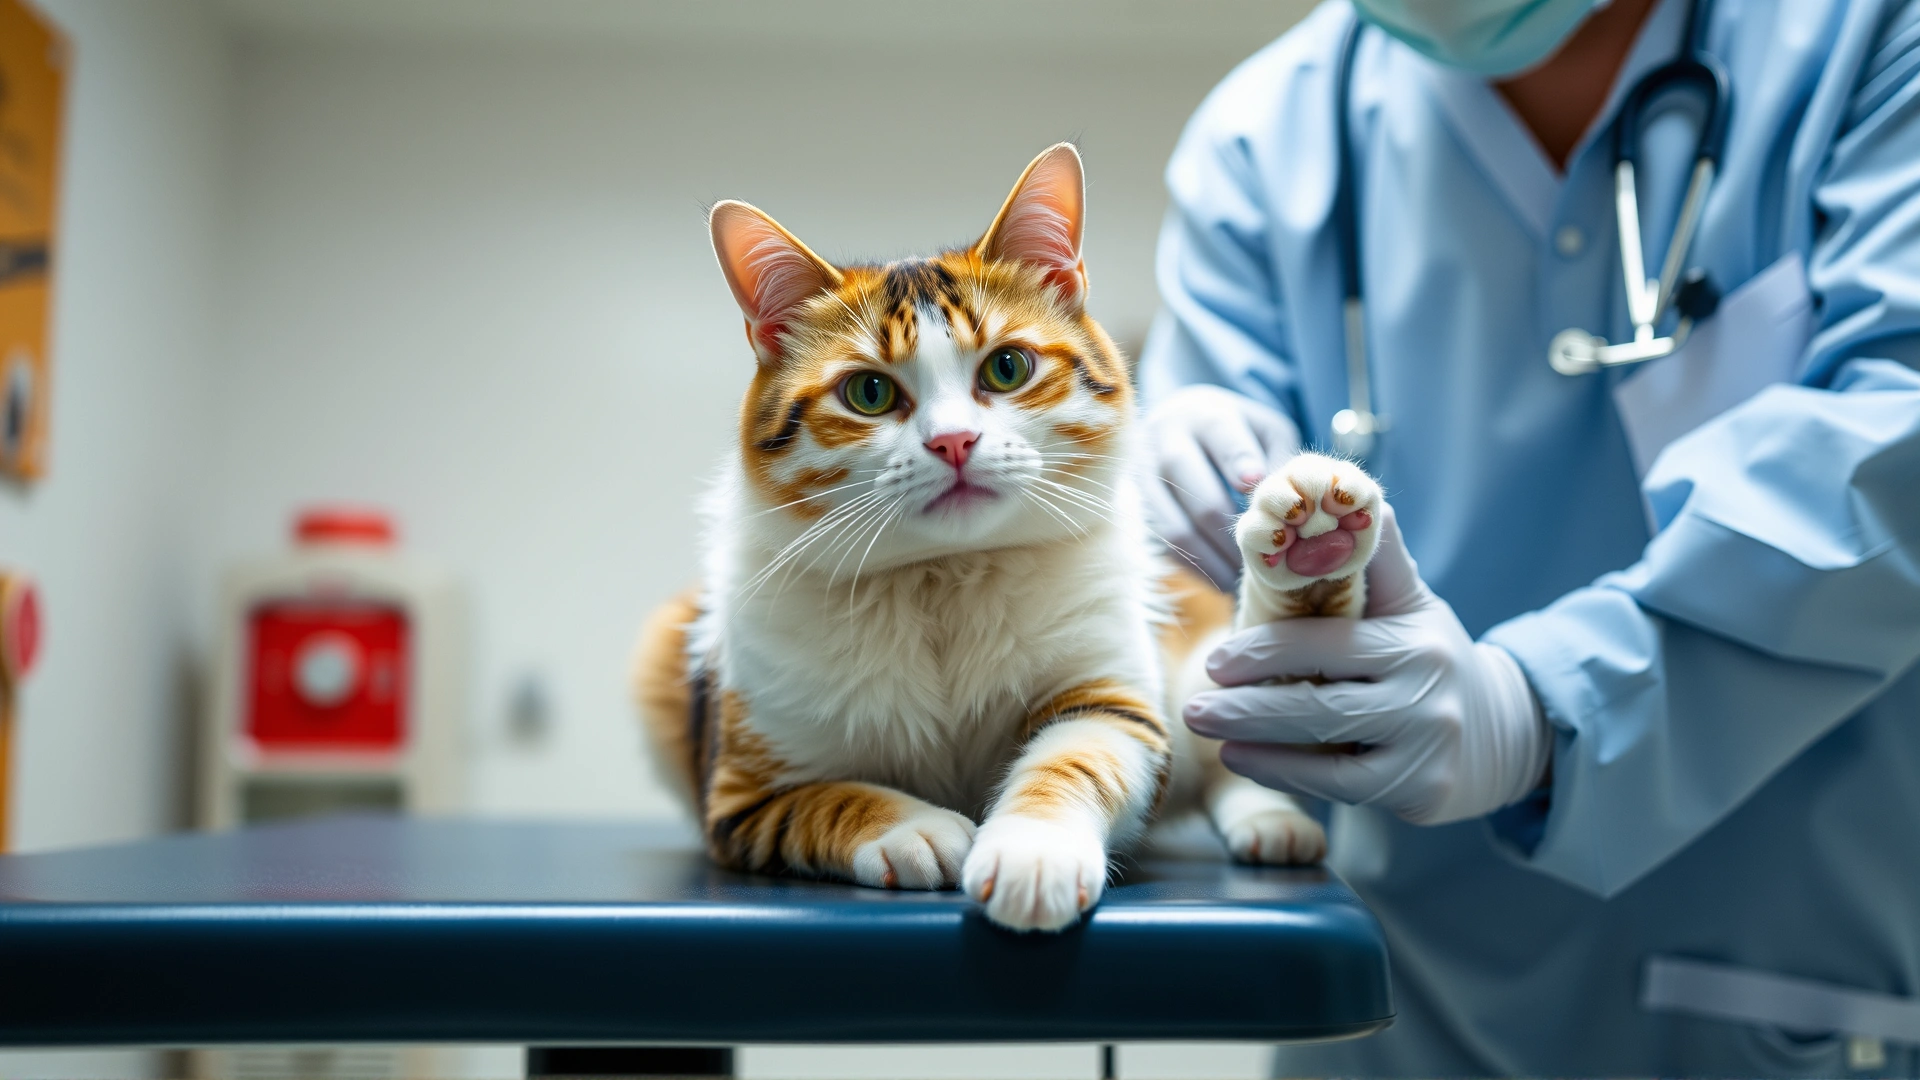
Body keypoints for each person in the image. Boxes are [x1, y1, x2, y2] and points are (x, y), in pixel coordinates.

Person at [1140, 0, 1920, 1074]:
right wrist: (1186, 485)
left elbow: (1897, 446)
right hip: (1393, 1022)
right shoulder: (1270, 142)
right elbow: (1204, 615)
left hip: (1783, 1005)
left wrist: (1542, 711)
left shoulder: (1869, 40)